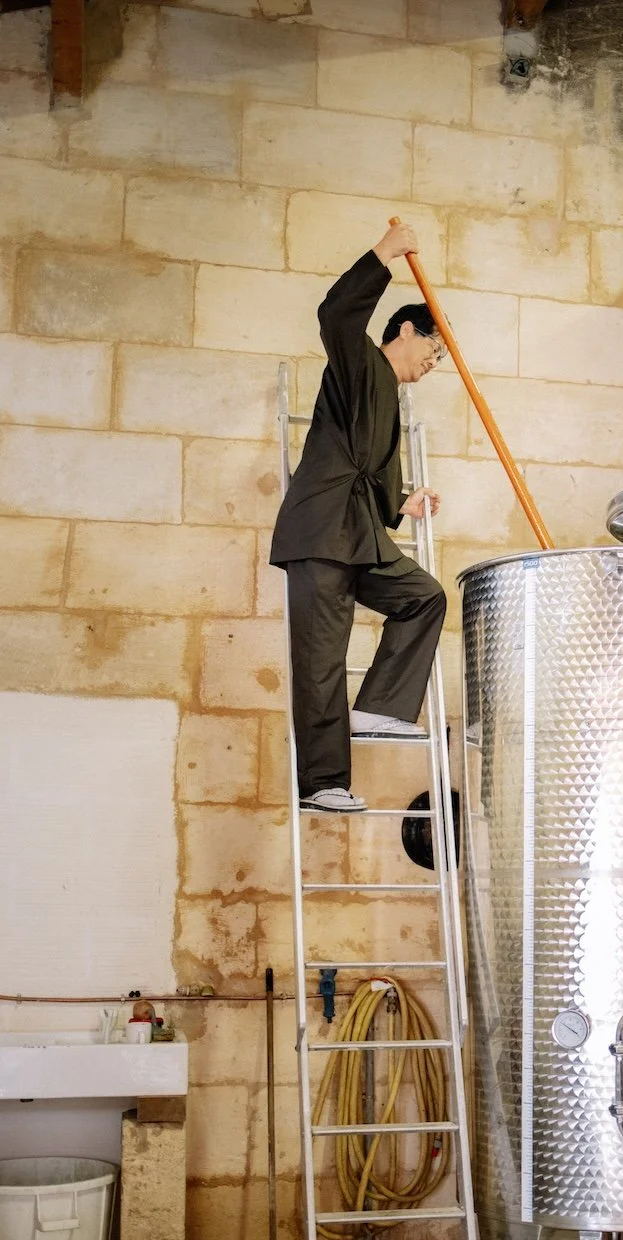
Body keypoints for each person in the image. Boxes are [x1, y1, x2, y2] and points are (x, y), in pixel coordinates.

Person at [270, 222, 448, 814]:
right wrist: (383, 254)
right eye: (433, 348)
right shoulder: (358, 362)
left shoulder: (390, 401)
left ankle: (380, 708)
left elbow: (372, 475)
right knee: (321, 657)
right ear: (404, 330)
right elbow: (336, 313)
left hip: (360, 535)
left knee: (423, 596)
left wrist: (403, 503)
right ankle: (323, 782)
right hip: (321, 531)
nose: (435, 362)